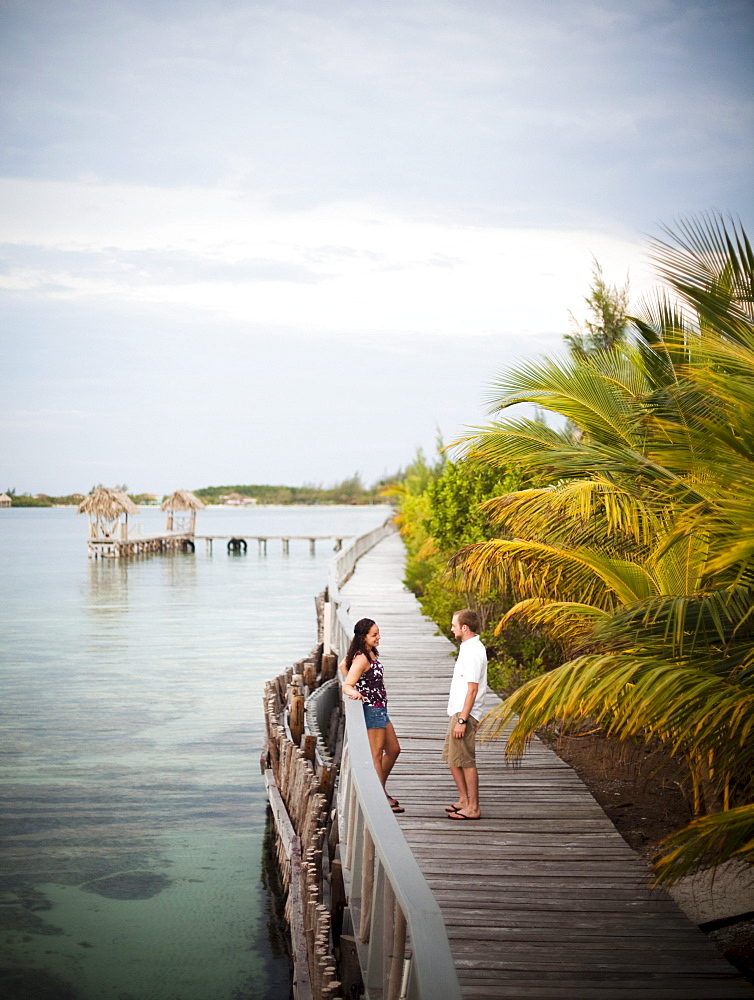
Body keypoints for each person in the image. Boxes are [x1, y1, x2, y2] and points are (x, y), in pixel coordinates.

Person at [342, 617, 403, 813]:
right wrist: (355, 691)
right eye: (374, 634)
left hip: (381, 709)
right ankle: (380, 798)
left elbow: (343, 665)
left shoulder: (369, 653)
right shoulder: (361, 658)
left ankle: (378, 790)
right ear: (363, 637)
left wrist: (359, 683)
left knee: (394, 750)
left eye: (378, 633)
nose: (378, 637)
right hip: (372, 709)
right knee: (376, 755)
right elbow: (347, 684)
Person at [443, 609, 488, 820]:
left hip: (465, 714)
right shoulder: (467, 648)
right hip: (457, 711)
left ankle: (473, 807)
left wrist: (462, 720)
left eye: (454, 625)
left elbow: (472, 689)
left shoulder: (473, 652)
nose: (451, 628)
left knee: (466, 760)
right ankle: (463, 799)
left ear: (464, 627)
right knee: (453, 758)